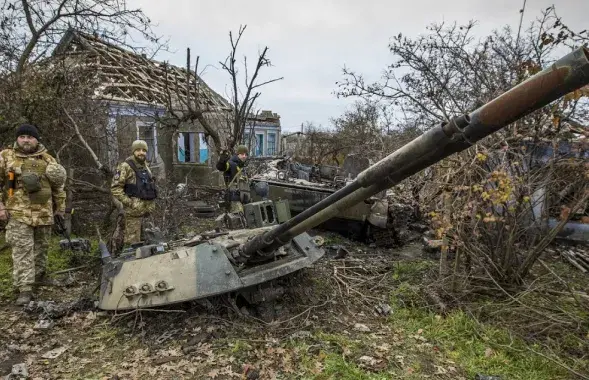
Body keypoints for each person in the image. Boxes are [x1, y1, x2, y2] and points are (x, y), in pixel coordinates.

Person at [0, 124, 67, 305]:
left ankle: (39, 277)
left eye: (30, 137)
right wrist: (1, 207)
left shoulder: (48, 159)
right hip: (18, 213)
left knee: (41, 249)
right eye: (22, 137)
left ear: (37, 139)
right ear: (17, 139)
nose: (26, 140)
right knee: (23, 251)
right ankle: (25, 288)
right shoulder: (6, 157)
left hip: (44, 213)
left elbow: (58, 187)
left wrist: (60, 208)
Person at [110, 140, 157, 246]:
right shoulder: (125, 166)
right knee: (133, 244)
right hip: (134, 213)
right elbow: (115, 188)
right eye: (138, 150)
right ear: (133, 151)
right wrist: (130, 203)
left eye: (144, 150)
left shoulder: (146, 166)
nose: (141, 152)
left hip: (147, 212)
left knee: (148, 244)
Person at [216, 145, 250, 214]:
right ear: (237, 154)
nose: (244, 156)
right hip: (234, 200)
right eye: (242, 154)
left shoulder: (243, 167)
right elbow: (221, 167)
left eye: (246, 154)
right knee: (237, 219)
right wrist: (222, 161)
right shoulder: (231, 164)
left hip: (242, 199)